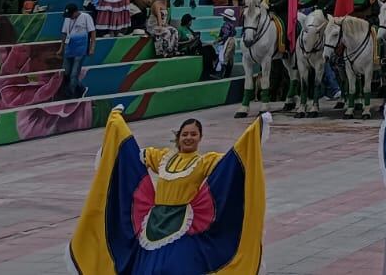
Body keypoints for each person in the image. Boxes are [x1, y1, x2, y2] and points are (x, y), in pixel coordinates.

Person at [66, 110, 269, 274]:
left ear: (200, 138)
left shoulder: (204, 161)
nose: (189, 138)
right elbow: (130, 153)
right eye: (185, 134)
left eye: (193, 134)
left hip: (183, 224)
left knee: (177, 265)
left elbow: (230, 164)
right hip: (154, 222)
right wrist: (117, 125)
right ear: (178, 137)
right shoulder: (163, 157)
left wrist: (253, 136)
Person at [61, 2, 96, 98]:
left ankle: (70, 94)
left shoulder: (86, 17)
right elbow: (64, 33)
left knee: (74, 74)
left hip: (80, 49)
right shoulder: (67, 18)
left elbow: (92, 33)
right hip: (69, 49)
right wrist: (61, 48)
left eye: (71, 15)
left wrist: (92, 48)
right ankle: (81, 88)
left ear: (76, 12)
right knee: (66, 72)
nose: (70, 17)